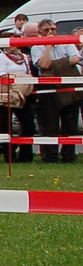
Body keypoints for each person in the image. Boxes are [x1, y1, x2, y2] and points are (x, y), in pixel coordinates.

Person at [30, 18, 80, 164]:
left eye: (53, 29)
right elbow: (44, 64)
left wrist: (54, 66)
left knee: (70, 124)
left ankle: (69, 156)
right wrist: (49, 46)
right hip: (49, 87)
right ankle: (50, 156)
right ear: (40, 32)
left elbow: (76, 59)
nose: (51, 32)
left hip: (69, 85)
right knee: (50, 124)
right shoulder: (36, 47)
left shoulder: (67, 41)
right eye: (47, 30)